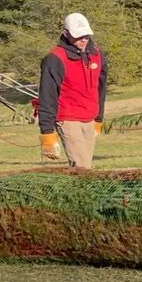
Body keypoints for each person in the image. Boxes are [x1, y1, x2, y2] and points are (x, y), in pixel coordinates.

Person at [38, 12, 108, 168]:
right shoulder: (55, 59)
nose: (83, 39)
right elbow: (47, 96)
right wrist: (47, 133)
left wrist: (99, 118)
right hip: (68, 118)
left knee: (86, 166)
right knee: (81, 167)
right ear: (65, 34)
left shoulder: (98, 55)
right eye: (78, 36)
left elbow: (101, 89)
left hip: (89, 117)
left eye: (86, 35)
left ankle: (78, 192)